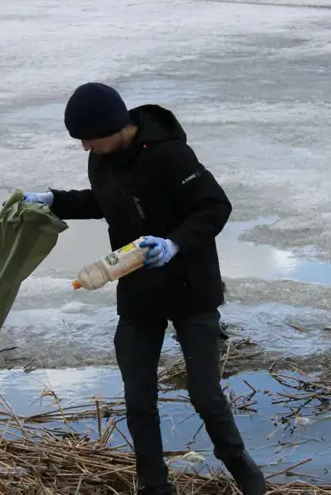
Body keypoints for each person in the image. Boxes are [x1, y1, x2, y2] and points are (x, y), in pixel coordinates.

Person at [20, 82, 266, 495]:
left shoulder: (171, 154)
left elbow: (215, 206)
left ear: (114, 126)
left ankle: (245, 474)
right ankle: (155, 485)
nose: (84, 147)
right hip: (138, 291)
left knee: (205, 395)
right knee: (138, 398)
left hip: (191, 288)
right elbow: (105, 201)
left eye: (88, 138)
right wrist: (54, 201)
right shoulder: (102, 159)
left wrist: (174, 244)